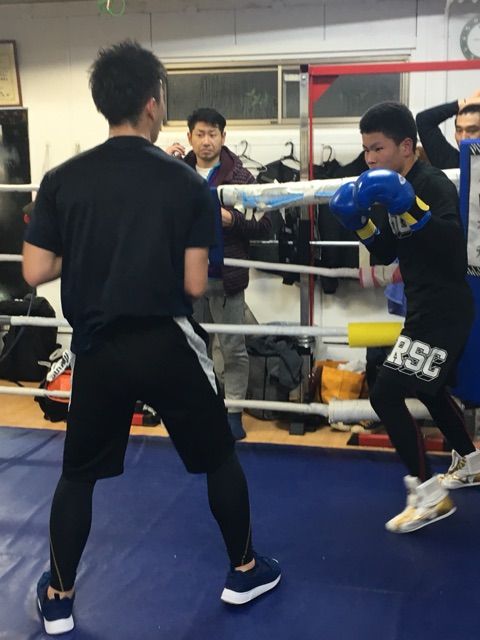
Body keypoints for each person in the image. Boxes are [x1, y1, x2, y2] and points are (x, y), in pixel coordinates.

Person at [22, 41, 280, 636]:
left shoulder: (62, 179)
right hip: (165, 341)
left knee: (78, 474)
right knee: (218, 456)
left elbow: (35, 270)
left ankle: (59, 597)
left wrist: (91, 250)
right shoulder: (186, 183)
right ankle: (244, 570)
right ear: (152, 102)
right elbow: (193, 284)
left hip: (97, 347)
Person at [329, 101, 479, 534]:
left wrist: (410, 206)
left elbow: (453, 250)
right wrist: (359, 223)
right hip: (424, 308)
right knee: (429, 388)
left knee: (386, 394)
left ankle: (429, 496)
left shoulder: (431, 184)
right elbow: (386, 252)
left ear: (407, 146)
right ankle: (471, 462)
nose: (369, 158)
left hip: (444, 312)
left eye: (377, 148)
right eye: (366, 150)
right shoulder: (385, 187)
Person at [183, 108, 272, 441]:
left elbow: (265, 225)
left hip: (227, 276)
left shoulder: (242, 178)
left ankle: (234, 412)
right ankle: (201, 409)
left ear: (223, 136)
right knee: (193, 347)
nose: (207, 141)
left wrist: (232, 220)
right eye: (200, 134)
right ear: (190, 137)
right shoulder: (177, 174)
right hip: (187, 278)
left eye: (213, 134)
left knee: (233, 347)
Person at [415, 90, 480, 169]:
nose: (463, 138)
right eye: (459, 130)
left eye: (472, 130)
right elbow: (424, 120)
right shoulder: (451, 163)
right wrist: (465, 103)